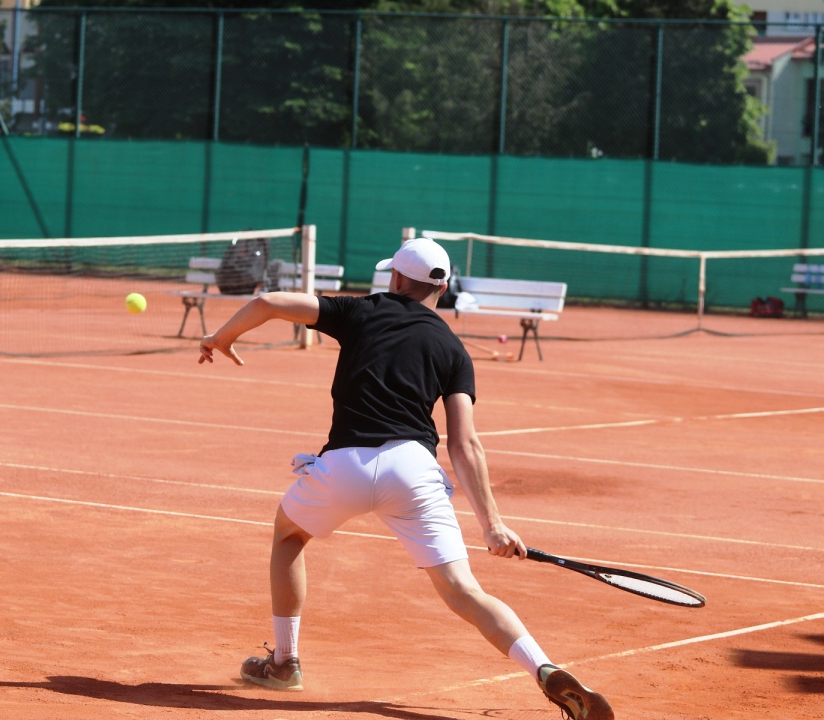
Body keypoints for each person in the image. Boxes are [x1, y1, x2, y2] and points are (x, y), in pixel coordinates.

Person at [198, 238, 613, 720]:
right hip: (414, 469)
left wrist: (222, 338)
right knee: (464, 590)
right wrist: (493, 525)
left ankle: (284, 663)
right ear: (442, 287)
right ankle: (544, 670)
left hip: (345, 463)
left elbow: (267, 302)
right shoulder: (453, 349)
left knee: (289, 535)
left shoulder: (359, 312)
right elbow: (464, 445)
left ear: (395, 278)